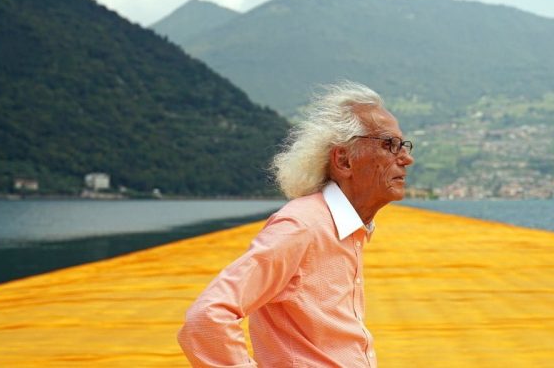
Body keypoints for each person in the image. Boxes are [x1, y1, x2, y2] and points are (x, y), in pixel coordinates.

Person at [177, 81, 414, 367]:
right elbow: (206, 318)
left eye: (402, 145)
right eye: (389, 145)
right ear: (344, 160)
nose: (406, 158)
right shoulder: (301, 226)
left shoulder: (347, 229)